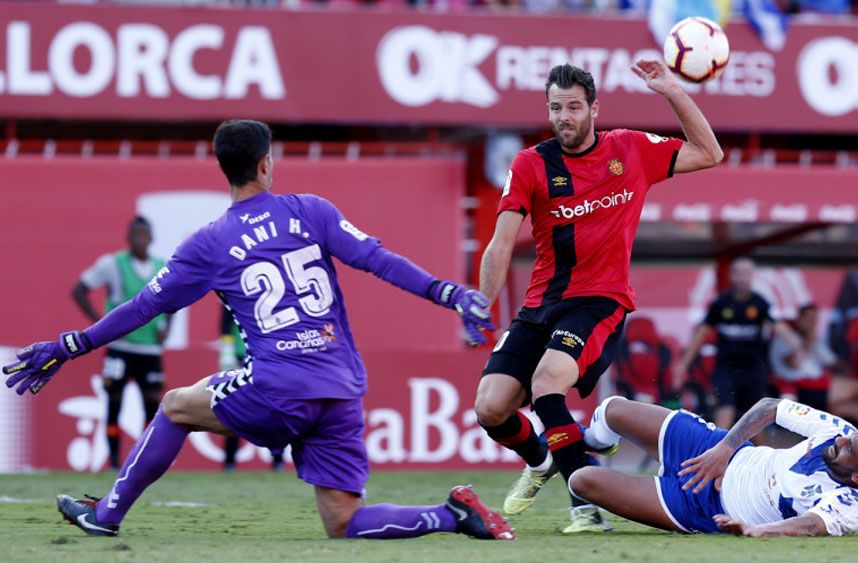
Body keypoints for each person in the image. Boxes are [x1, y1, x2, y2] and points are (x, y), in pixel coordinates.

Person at [4, 119, 513, 542]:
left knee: (177, 405)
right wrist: (449, 294)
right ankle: (451, 515)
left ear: (224, 169)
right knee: (344, 522)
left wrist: (71, 345)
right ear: (266, 163)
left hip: (279, 387)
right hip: (340, 388)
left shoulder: (209, 242)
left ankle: (107, 515)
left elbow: (143, 307)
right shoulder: (312, 211)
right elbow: (378, 261)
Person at [473, 61, 724, 533]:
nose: (564, 117)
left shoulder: (629, 149)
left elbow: (709, 153)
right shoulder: (530, 163)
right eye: (555, 108)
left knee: (549, 382)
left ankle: (585, 508)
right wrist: (480, 306)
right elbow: (501, 242)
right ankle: (541, 457)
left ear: (593, 108)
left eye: (573, 107)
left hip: (600, 302)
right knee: (491, 407)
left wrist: (671, 91)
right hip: (540, 306)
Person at [567, 395, 858, 537]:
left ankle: (562, 450)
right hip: (718, 452)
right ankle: (590, 441)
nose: (842, 440)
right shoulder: (839, 432)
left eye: (852, 448)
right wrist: (724, 450)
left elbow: (810, 526)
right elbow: (770, 407)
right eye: (852, 436)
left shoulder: (852, 503)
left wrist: (754, 530)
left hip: (702, 507)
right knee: (613, 410)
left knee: (582, 480)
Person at [71, 216, 172, 470]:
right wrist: (100, 325)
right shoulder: (112, 265)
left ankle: (146, 461)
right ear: (128, 238)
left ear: (151, 238)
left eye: (144, 234)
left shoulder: (162, 266)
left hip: (149, 349)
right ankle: (115, 461)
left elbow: (173, 300)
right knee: (114, 403)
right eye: (136, 234)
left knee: (153, 405)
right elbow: (79, 289)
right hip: (120, 349)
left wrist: (166, 327)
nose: (140, 239)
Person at [673, 257, 802, 430]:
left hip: (754, 368)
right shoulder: (721, 303)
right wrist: (683, 365)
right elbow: (701, 334)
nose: (743, 277)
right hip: (726, 367)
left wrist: (798, 347)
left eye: (747, 273)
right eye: (738, 273)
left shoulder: (760, 303)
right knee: (725, 409)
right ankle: (716, 451)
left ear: (753, 275)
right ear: (732, 276)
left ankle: (758, 454)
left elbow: (779, 327)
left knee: (755, 416)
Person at [218, 305, 283, 472]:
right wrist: (227, 352)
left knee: (274, 407)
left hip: (269, 356)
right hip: (241, 355)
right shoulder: (233, 287)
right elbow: (225, 323)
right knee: (236, 407)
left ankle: (277, 461)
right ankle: (230, 462)